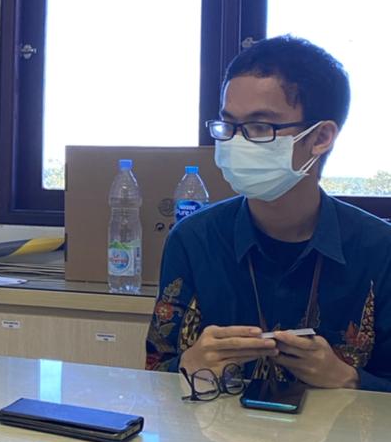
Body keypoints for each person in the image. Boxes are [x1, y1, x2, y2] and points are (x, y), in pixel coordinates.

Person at [146, 35, 391, 392]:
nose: (236, 142)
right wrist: (187, 366)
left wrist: (350, 380)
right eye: (228, 126)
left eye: (260, 128)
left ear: (320, 137)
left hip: (343, 430)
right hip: (214, 428)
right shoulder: (193, 239)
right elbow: (153, 369)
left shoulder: (379, 249)